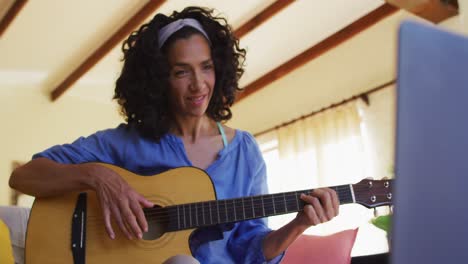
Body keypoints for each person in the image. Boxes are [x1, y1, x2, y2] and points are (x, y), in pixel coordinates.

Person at [9, 6, 339, 264]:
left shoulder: (244, 152)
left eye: (206, 67)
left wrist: (299, 224)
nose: (199, 84)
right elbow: (24, 177)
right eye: (182, 72)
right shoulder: (126, 142)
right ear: (157, 80)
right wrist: (96, 176)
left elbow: (249, 251)